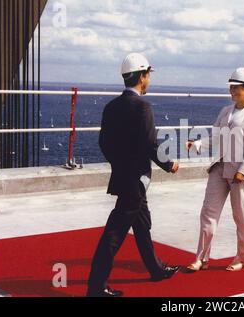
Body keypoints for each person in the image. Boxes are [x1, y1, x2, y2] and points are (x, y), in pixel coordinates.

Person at [87, 53, 180, 297]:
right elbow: (150, 145)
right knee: (114, 233)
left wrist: (121, 165)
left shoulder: (112, 106)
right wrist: (169, 165)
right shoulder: (143, 107)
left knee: (142, 225)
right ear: (142, 76)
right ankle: (96, 287)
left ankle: (156, 269)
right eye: (148, 75)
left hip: (123, 177)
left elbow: (103, 142)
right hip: (136, 180)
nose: (149, 80)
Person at [186, 67, 244, 272]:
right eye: (231, 87)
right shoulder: (225, 111)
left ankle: (243, 257)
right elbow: (215, 137)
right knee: (208, 213)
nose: (232, 92)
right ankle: (201, 258)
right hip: (219, 168)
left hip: (240, 173)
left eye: (236, 88)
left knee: (240, 216)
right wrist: (196, 145)